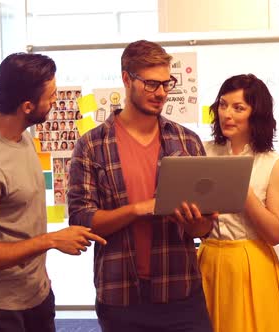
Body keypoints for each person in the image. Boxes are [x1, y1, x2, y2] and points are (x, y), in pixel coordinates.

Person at [67, 40, 215, 332]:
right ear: (126, 79)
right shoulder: (91, 146)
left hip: (181, 292)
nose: (160, 93)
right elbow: (83, 221)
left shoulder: (187, 142)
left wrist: (195, 221)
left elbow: (204, 229)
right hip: (120, 296)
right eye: (150, 84)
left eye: (165, 83)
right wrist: (137, 210)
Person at [0, 53, 106, 332]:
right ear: (27, 106)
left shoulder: (21, 135)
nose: (54, 102)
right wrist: (50, 240)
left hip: (35, 297)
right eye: (50, 97)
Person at [199, 74, 279, 332]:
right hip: (208, 261)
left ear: (256, 114)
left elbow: (276, 232)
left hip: (254, 265)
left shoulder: (273, 162)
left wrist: (242, 189)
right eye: (223, 104)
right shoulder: (203, 151)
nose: (227, 114)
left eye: (239, 108)